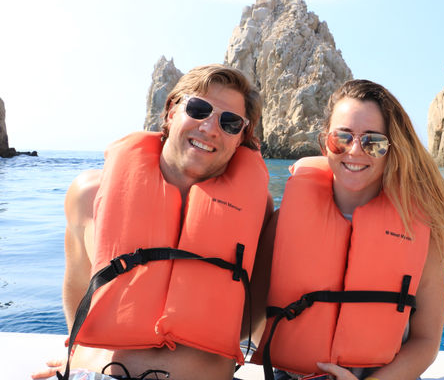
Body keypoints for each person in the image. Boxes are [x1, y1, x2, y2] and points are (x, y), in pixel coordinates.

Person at [33, 64, 274, 380]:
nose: (210, 128)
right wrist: (75, 358)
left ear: (242, 137)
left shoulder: (258, 211)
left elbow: (251, 313)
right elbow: (79, 287)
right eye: (198, 109)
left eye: (230, 123)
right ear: (172, 111)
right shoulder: (89, 193)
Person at [251, 79, 444, 380]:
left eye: (373, 142)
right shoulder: (282, 222)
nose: (355, 151)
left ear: (392, 150)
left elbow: (426, 342)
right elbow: (253, 319)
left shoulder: (420, 230)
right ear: (324, 143)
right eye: (342, 138)